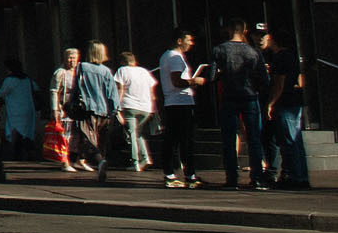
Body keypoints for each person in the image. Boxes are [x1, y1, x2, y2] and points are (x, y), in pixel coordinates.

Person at [209, 18, 270, 190]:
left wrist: (224, 74)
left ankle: (232, 178)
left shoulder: (219, 50)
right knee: (254, 138)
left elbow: (212, 76)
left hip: (229, 97)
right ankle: (257, 177)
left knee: (229, 138)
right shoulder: (253, 51)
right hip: (250, 97)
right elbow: (264, 79)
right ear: (244, 31)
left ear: (229, 30)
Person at [260, 24, 310, 190]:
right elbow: (299, 80)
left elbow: (278, 84)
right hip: (295, 101)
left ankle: (293, 176)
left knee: (288, 141)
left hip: (285, 102)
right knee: (296, 141)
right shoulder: (292, 56)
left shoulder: (280, 57)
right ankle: (301, 175)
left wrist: (270, 103)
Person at [157, 29, 206, 189]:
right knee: (185, 140)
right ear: (179, 41)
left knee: (173, 139)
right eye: (188, 40)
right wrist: (195, 81)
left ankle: (171, 173)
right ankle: (188, 175)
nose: (191, 43)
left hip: (172, 103)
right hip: (181, 102)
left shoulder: (166, 56)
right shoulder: (175, 58)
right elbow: (177, 81)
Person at [74, 44, 122, 181]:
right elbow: (112, 92)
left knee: (88, 137)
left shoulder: (82, 67)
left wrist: (70, 104)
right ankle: (96, 160)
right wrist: (116, 110)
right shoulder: (106, 71)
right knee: (100, 139)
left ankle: (100, 160)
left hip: (87, 108)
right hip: (104, 109)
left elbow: (77, 87)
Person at [114, 50, 158, 171]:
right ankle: (146, 158)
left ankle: (135, 162)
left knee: (132, 134)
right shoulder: (144, 72)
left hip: (129, 106)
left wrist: (116, 106)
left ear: (123, 61)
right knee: (138, 133)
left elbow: (120, 89)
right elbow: (151, 91)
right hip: (146, 107)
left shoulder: (122, 71)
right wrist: (153, 108)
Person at [0, 59, 38, 159]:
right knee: (27, 131)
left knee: (15, 131)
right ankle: (29, 149)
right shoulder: (27, 79)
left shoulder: (10, 80)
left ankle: (17, 151)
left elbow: (2, 93)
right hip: (28, 109)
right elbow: (36, 89)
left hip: (16, 110)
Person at [50, 49, 83, 172]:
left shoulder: (79, 72)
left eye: (74, 58)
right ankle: (65, 162)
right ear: (64, 58)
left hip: (76, 108)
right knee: (65, 137)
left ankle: (76, 160)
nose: (72, 60)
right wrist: (54, 109)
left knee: (76, 137)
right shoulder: (60, 72)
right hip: (63, 109)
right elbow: (54, 91)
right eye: (69, 58)